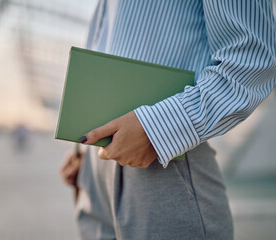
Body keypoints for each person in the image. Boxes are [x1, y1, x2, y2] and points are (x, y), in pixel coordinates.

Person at [60, 0, 276, 239]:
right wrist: (85, 150)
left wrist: (154, 130)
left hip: (166, 158)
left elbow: (252, 59)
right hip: (97, 168)